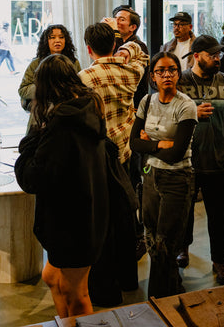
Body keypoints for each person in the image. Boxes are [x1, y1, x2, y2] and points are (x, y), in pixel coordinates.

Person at [14, 54, 109, 318]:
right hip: (86, 213)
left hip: (73, 222)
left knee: (76, 292)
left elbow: (31, 178)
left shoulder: (61, 124)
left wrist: (31, 139)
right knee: (52, 277)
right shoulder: (87, 110)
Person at [78, 20, 148, 304]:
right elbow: (141, 52)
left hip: (102, 157)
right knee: (128, 216)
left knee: (102, 223)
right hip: (128, 152)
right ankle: (129, 279)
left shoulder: (84, 77)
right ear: (115, 44)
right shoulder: (131, 70)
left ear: (88, 48)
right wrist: (124, 52)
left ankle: (106, 288)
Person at [176, 35, 224, 285]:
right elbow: (164, 111)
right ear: (196, 56)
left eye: (219, 55)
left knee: (220, 217)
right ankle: (182, 248)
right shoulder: (181, 82)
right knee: (183, 212)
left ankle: (220, 260)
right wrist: (192, 112)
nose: (217, 59)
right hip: (186, 160)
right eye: (212, 55)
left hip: (219, 160)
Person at [129, 52, 197, 298]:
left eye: (172, 70)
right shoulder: (147, 102)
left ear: (178, 74)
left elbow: (177, 153)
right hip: (150, 176)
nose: (167, 75)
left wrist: (151, 143)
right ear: (153, 76)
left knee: (165, 243)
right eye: (161, 71)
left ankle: (156, 301)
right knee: (150, 239)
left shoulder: (186, 105)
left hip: (177, 179)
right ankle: (171, 292)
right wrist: (160, 145)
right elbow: (134, 143)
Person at [19, 24, 81, 116]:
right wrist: (47, 89)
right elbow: (23, 90)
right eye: (52, 37)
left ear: (66, 40)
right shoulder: (36, 63)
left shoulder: (73, 62)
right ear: (46, 41)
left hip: (68, 111)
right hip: (43, 111)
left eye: (61, 37)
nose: (57, 40)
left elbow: (79, 87)